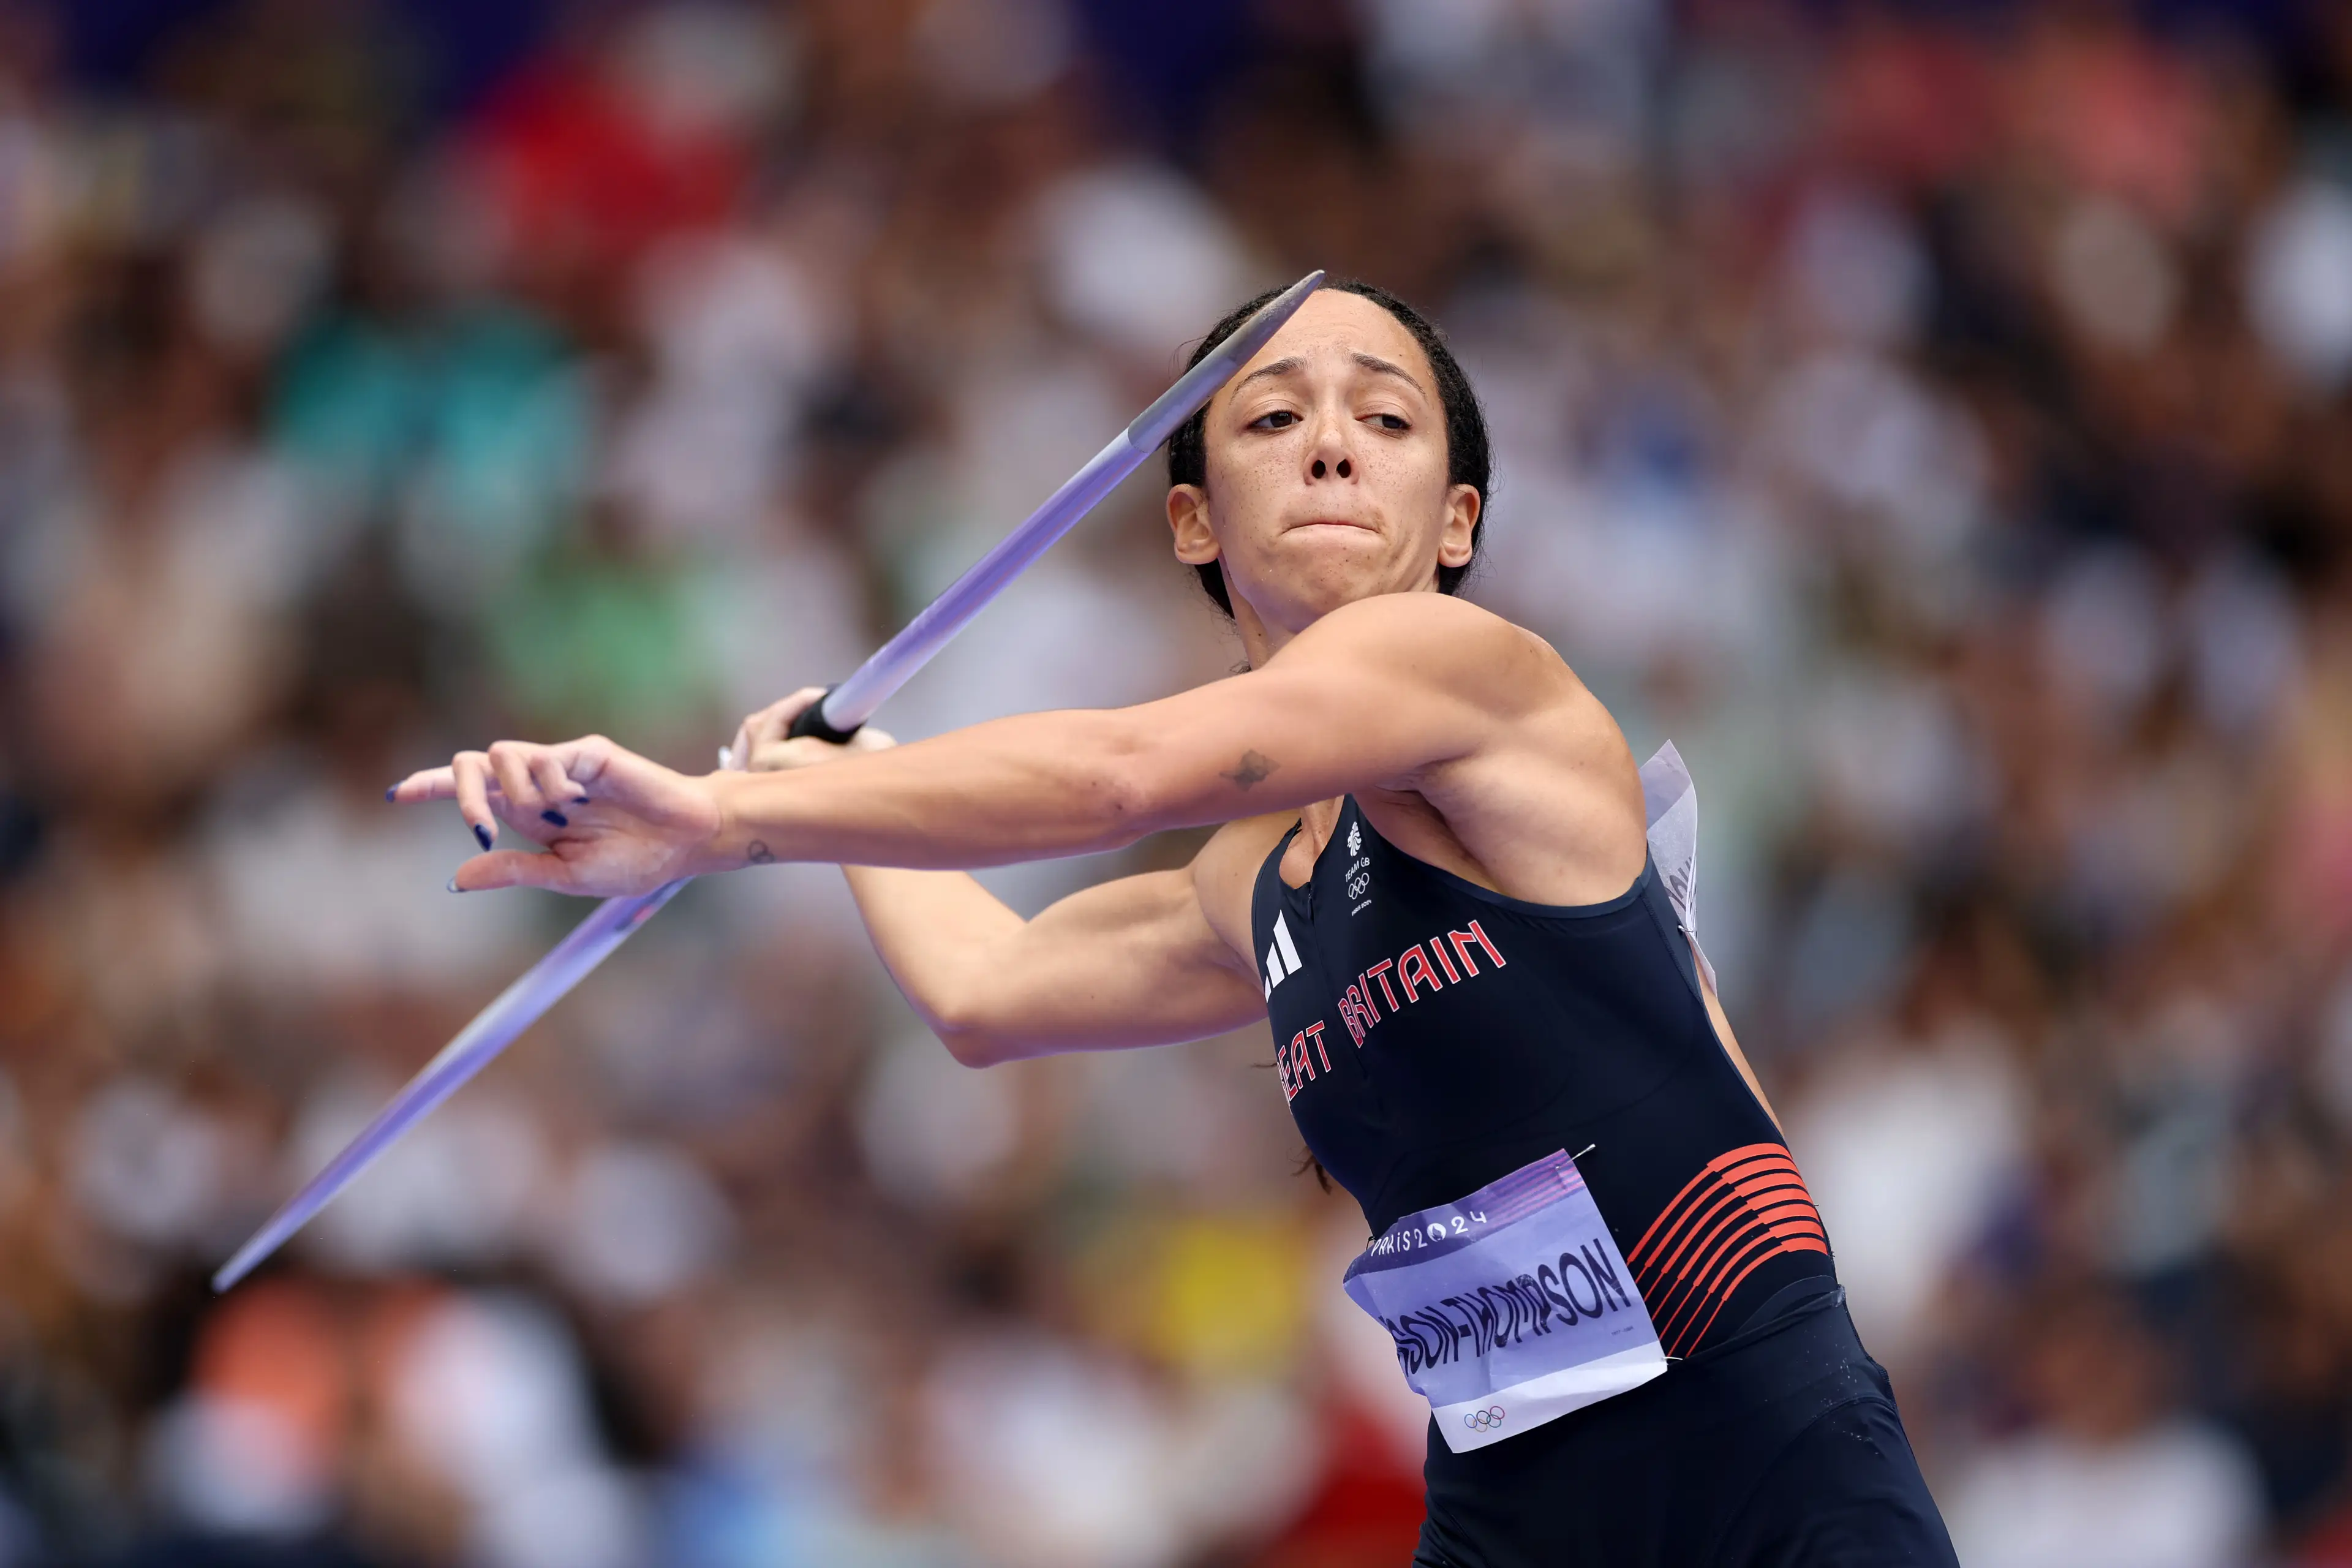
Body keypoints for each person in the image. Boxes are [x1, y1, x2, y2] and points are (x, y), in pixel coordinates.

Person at [390, 281, 1959, 1566]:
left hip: (1754, 1432)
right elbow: (987, 990)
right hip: (1518, 1486)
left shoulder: (1477, 678)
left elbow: (1121, 767)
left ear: (1457, 517)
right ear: (1198, 521)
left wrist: (728, 814)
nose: (1335, 447)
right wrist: (822, 793)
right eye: (1276, 419)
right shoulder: (1254, 875)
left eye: (1386, 419)